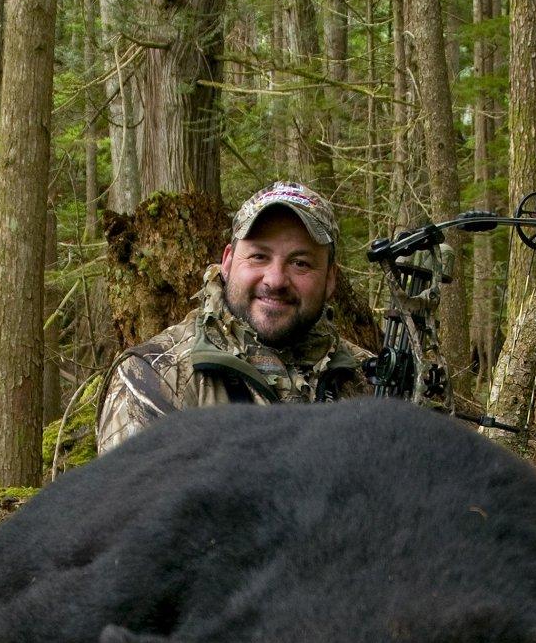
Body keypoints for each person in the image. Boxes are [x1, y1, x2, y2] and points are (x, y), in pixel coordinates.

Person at [95, 182, 373, 454]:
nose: (275, 280)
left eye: (300, 263)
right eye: (259, 256)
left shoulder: (368, 378)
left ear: (330, 279)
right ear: (227, 262)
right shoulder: (158, 377)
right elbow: (134, 499)